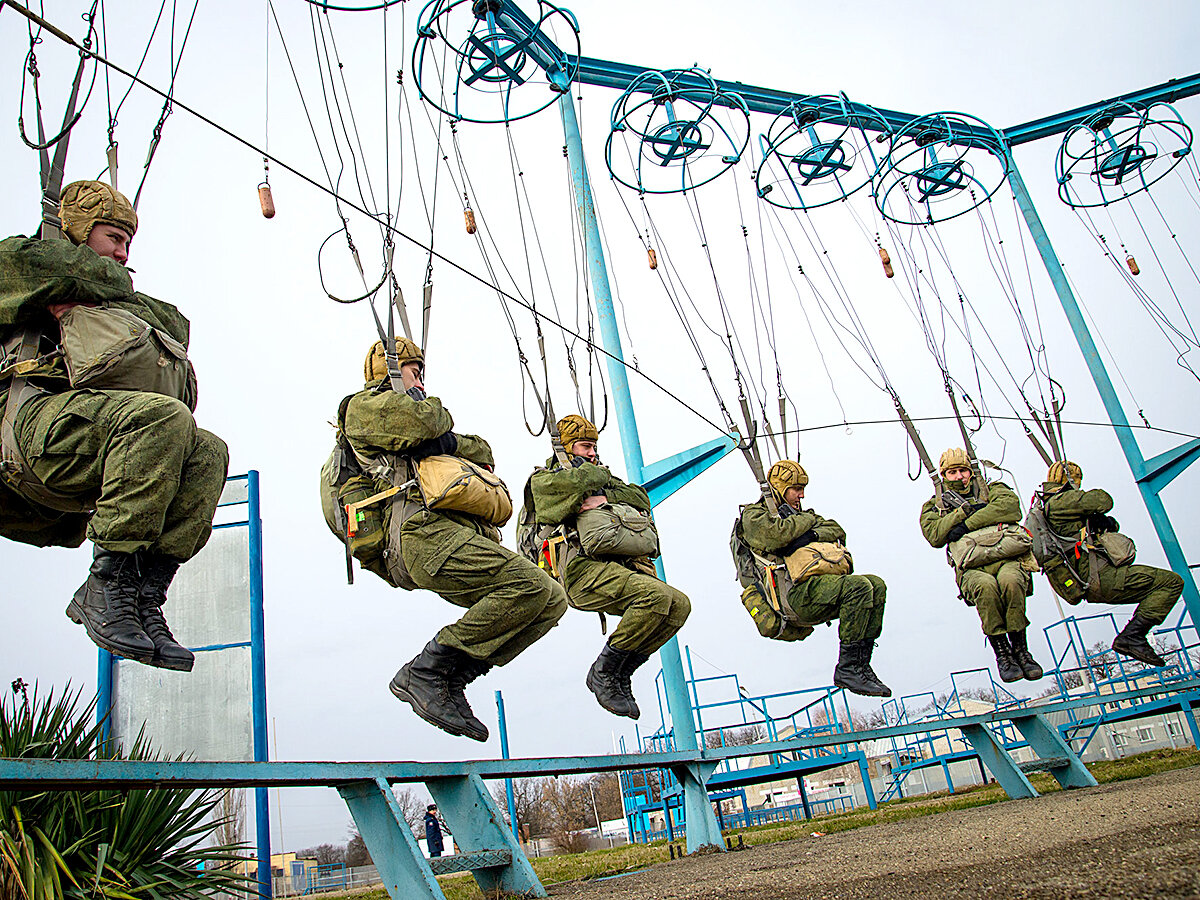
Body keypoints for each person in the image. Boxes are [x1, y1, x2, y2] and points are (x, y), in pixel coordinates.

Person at [0, 180, 228, 671]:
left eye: (129, 242)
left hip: (80, 436)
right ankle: (105, 587)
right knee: (162, 417)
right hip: (22, 431)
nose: (123, 254)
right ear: (78, 232)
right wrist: (77, 282)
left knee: (208, 450)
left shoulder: (99, 285)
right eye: (113, 238)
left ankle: (140, 594)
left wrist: (89, 298)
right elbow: (40, 267)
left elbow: (173, 323)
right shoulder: (20, 264)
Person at [339, 338, 567, 742]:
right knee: (529, 585)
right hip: (419, 533)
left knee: (550, 599)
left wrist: (443, 442)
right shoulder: (362, 408)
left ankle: (447, 679)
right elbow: (431, 420)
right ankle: (425, 672)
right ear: (390, 372)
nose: (421, 381)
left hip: (450, 533)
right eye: (414, 371)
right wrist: (437, 431)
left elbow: (482, 450)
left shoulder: (409, 415)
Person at [520, 415, 690, 720]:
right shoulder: (544, 481)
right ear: (565, 448)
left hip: (612, 568)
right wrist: (592, 483)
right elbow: (570, 486)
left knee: (678, 606)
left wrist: (600, 496)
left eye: (595, 446)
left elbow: (639, 496)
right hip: (577, 572)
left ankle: (620, 674)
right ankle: (604, 673)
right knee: (655, 598)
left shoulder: (599, 477)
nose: (593, 453)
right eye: (586, 446)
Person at [738, 460, 891, 697]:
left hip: (818, 587)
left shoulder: (798, 515)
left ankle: (860, 664)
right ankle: (848, 669)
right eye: (796, 488)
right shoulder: (755, 515)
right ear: (780, 487)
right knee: (858, 588)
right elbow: (776, 535)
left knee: (876, 585)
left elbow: (837, 530)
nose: (801, 494)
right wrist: (807, 524)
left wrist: (810, 534)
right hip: (793, 596)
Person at [1037, 460, 1183, 667]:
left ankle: (1133, 636)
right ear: (1070, 479)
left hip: (1093, 578)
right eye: (1078, 480)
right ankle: (1133, 636)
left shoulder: (1050, 504)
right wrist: (1079, 495)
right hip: (1100, 578)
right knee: (1170, 583)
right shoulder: (1062, 501)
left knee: (1162, 585)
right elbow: (1103, 500)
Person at [919, 448, 1043, 683]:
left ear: (971, 471)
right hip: (972, 567)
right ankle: (1002, 653)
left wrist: (966, 525)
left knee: (1012, 581)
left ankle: (1021, 649)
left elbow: (1009, 509)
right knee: (985, 589)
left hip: (1006, 557)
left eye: (963, 470)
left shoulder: (993, 489)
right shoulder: (934, 506)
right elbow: (934, 534)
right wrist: (961, 513)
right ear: (944, 476)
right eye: (952, 472)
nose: (959, 477)